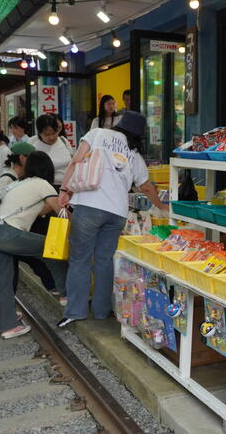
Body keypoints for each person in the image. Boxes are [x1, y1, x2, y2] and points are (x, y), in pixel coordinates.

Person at [58, 111, 167, 327]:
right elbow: (145, 186)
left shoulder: (97, 134)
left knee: (79, 260)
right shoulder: (133, 153)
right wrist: (162, 205)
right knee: (104, 260)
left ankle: (75, 311)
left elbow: (76, 161)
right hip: (117, 212)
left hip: (89, 206)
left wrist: (64, 189)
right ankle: (101, 311)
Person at [0, 151, 68, 339]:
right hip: (7, 234)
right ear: (48, 169)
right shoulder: (43, 184)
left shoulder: (18, 183)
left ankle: (7, 326)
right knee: (53, 250)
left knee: (1, 281)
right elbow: (60, 212)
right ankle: (66, 295)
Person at [0, 142, 59, 295]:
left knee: (13, 269)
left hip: (0, 231)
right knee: (51, 253)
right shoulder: (26, 181)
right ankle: (61, 290)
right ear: (22, 158)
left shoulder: (19, 180)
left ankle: (8, 309)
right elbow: (54, 210)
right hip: (12, 231)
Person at [29, 114, 74, 189]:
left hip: (67, 186)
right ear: (40, 133)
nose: (51, 137)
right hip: (46, 188)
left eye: (54, 133)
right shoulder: (33, 146)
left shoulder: (63, 141)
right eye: (47, 134)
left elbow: (72, 162)